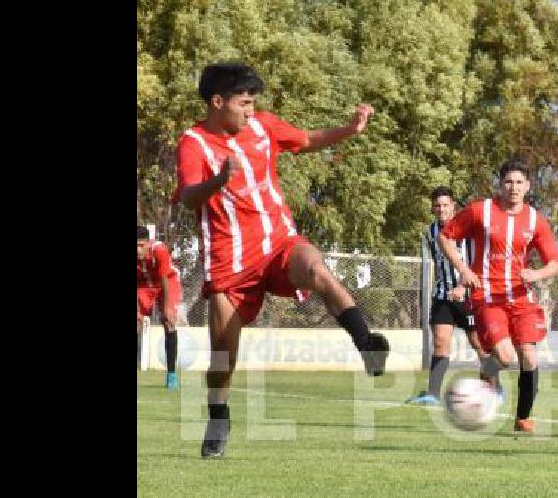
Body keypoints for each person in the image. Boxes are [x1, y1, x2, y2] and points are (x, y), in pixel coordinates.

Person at [174, 62, 389, 458]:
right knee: (223, 356)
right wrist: (219, 181)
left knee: (316, 268)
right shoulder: (193, 143)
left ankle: (367, 343)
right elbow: (188, 197)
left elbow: (306, 139)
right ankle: (218, 414)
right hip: (230, 263)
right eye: (244, 103)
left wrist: (348, 129)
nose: (251, 111)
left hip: (278, 243)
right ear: (217, 102)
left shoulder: (263, 126)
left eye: (254, 103)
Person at [438, 158, 558, 433]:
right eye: (508, 182)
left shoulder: (535, 220)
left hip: (521, 299)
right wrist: (463, 269)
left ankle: (523, 418)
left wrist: (537, 275)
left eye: (519, 182)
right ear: (500, 184)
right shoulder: (480, 211)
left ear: (527, 186)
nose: (513, 187)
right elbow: (446, 236)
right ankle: (487, 375)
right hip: (488, 297)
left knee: (529, 356)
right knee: (505, 357)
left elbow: (554, 262)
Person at [405, 186, 503, 406]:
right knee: (440, 342)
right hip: (443, 295)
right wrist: (446, 287)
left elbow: (476, 261)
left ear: (453, 207)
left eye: (445, 205)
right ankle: (432, 394)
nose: (441, 209)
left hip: (470, 295)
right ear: (433, 208)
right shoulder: (431, 232)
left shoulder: (468, 230)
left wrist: (462, 287)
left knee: (480, 345)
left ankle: (495, 388)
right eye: (437, 206)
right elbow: (440, 264)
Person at [137, 225, 182, 389]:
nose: (138, 250)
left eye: (141, 246)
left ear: (148, 243)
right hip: (143, 285)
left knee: (169, 321)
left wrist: (167, 307)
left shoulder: (160, 250)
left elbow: (164, 278)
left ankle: (171, 375)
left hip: (167, 282)